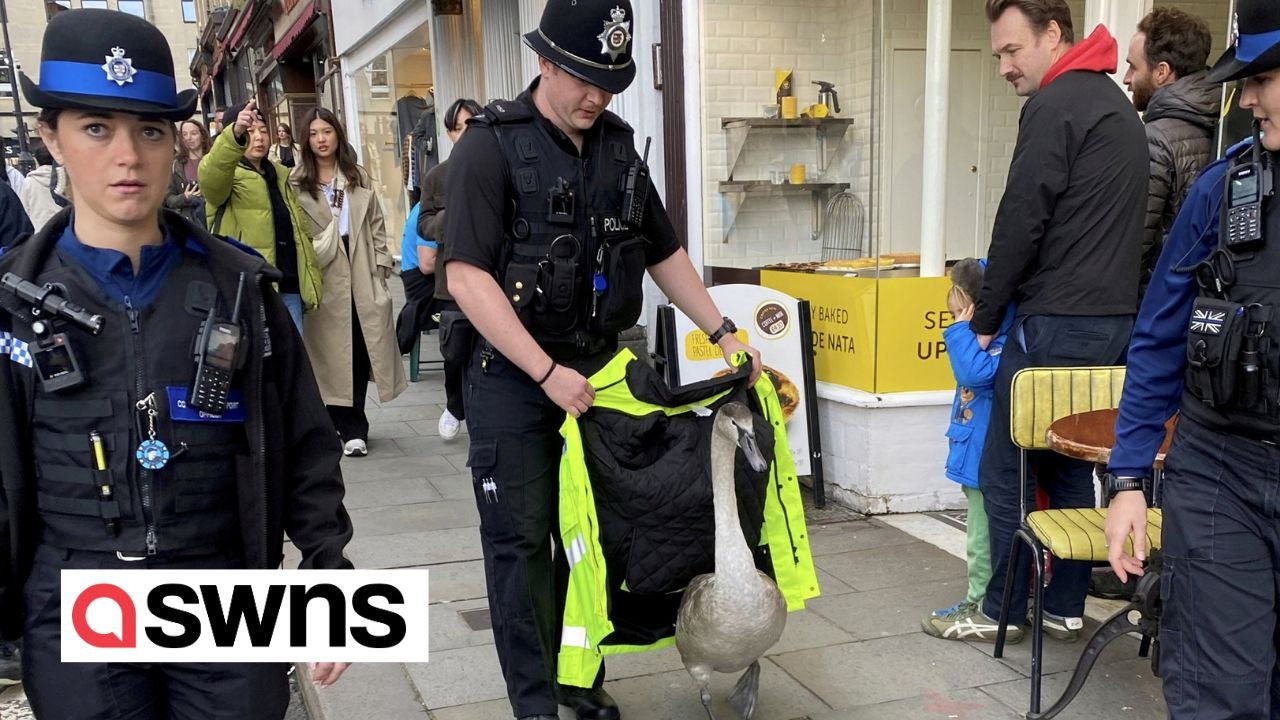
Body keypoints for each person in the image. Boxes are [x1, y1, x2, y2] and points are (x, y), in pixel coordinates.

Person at [0, 9, 354, 717]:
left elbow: (306, 444)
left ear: (174, 142)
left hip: (221, 587)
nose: (127, 156)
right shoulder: (13, 302)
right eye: (96, 128)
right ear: (51, 137)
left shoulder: (240, 290)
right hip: (78, 601)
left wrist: (326, 571)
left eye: (150, 131)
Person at [443, 1, 760, 717]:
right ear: (545, 62)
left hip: (596, 375)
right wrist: (545, 373)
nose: (597, 97)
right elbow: (466, 277)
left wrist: (722, 331)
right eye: (584, 79)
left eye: (610, 83)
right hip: (515, 380)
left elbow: (662, 252)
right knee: (522, 547)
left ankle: (577, 681)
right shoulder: (489, 147)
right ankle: (535, 704)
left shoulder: (617, 149)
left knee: (592, 543)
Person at [931, 0, 1146, 643]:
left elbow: (1021, 218)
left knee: (1007, 470)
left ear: (1054, 35)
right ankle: (1063, 605)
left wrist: (986, 315)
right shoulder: (1113, 104)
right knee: (1069, 465)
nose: (1003, 66)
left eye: (1011, 50)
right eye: (998, 53)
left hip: (1053, 322)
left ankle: (1001, 609)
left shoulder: (1054, 105)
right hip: (1110, 322)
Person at [1106, 2, 1280, 715]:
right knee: (1219, 694)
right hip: (1221, 474)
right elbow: (1159, 337)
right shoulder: (1221, 190)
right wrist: (1128, 478)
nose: (1249, 100)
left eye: (1264, 79)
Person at [290, 107, 405, 458]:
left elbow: (377, 224)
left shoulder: (356, 176)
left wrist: (381, 266)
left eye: (326, 131)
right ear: (305, 140)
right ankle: (334, 422)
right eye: (313, 133)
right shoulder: (296, 181)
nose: (321, 139)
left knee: (357, 350)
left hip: (360, 270)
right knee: (328, 355)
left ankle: (355, 427)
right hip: (322, 274)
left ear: (337, 135)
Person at [922, 259, 1013, 639]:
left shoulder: (996, 344)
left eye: (960, 313)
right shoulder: (991, 342)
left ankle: (980, 600)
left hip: (984, 458)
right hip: (976, 453)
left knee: (981, 537)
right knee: (984, 532)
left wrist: (961, 331)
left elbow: (974, 375)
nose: (956, 321)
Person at [199, 99, 321, 332]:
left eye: (263, 131)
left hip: (288, 283)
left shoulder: (280, 174)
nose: (259, 137)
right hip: (246, 287)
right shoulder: (227, 175)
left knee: (292, 352)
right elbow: (211, 179)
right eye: (250, 131)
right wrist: (234, 134)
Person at [1123, 7, 1219, 294]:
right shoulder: (1223, 119)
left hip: (1159, 298)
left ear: (1161, 72)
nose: (1126, 78)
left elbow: (1133, 248)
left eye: (1133, 67)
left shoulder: (1154, 139)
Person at [417, 97, 482, 441]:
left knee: (489, 347)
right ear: (448, 133)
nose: (463, 133)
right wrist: (449, 216)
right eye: (456, 128)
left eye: (469, 125)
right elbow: (423, 224)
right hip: (451, 277)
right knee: (454, 347)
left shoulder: (495, 168)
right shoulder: (437, 176)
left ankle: (482, 410)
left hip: (492, 274)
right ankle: (455, 404)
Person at [165, 117, 210, 228]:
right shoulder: (176, 164)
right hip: (190, 222)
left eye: (193, 133)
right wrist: (184, 197)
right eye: (185, 134)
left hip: (213, 219)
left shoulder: (213, 159)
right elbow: (169, 200)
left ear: (202, 135)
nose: (189, 138)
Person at [17, 141, 70, 231]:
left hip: (40, 230)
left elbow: (24, 209)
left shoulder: (29, 181)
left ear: (37, 160)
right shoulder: (64, 178)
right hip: (65, 227)